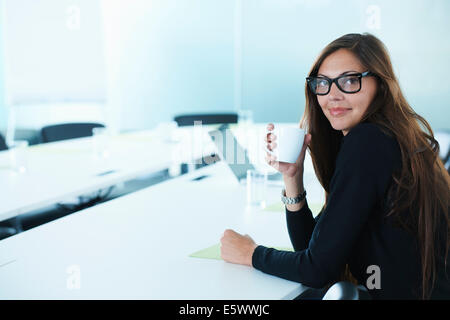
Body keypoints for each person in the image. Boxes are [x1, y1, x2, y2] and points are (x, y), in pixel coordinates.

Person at [219, 33, 450, 300]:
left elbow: (317, 270)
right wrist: (292, 176)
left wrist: (251, 253)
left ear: (381, 85)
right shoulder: (387, 137)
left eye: (350, 81)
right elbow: (315, 251)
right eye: (322, 84)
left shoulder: (368, 142)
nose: (332, 96)